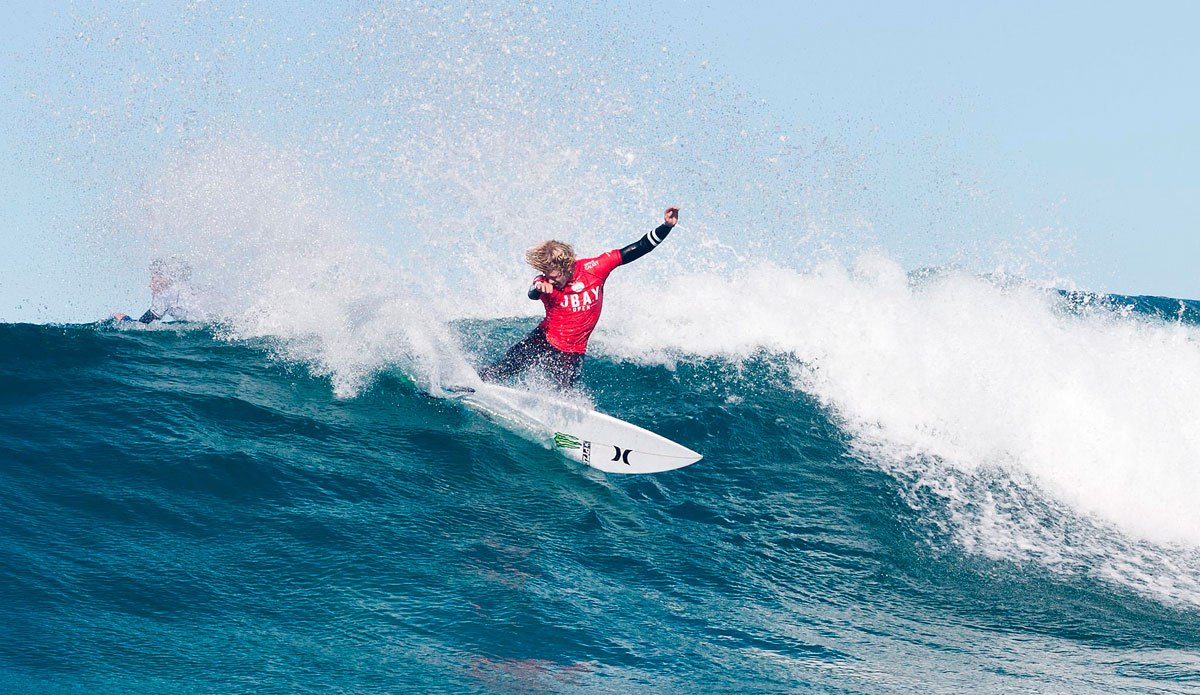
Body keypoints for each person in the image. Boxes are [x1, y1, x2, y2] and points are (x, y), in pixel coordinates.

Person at [479, 206, 681, 389]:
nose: (550, 279)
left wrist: (666, 227)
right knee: (503, 367)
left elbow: (640, 246)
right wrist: (538, 287)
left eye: (553, 275)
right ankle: (475, 384)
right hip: (543, 338)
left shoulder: (595, 268)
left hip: (572, 352)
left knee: (564, 392)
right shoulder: (544, 282)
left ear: (568, 266)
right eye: (546, 275)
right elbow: (533, 292)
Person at [114, 257, 200, 324]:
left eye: (153, 279)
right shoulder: (191, 289)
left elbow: (142, 325)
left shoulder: (167, 294)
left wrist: (124, 318)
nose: (150, 285)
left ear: (165, 279)